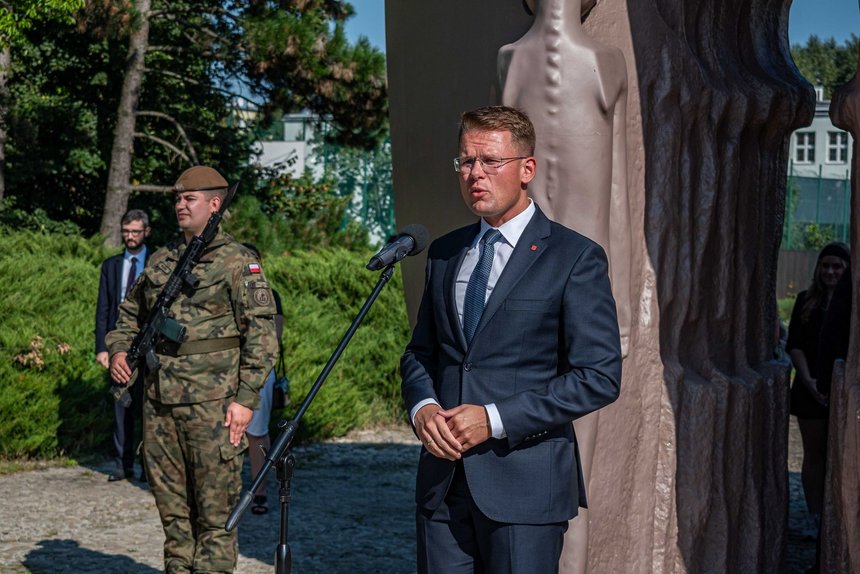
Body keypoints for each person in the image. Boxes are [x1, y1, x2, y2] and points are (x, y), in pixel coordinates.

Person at [401, 105, 622, 573]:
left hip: (526, 488)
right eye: (466, 161)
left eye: (490, 161)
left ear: (527, 169)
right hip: (442, 487)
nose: (475, 173)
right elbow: (421, 352)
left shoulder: (574, 257)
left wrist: (493, 419)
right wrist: (423, 408)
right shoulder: (444, 253)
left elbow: (599, 376)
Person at [106, 166, 279, 573]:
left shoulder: (238, 262)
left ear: (215, 204)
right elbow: (129, 315)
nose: (180, 205)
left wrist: (245, 400)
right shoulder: (162, 259)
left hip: (214, 408)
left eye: (190, 199)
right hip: (160, 406)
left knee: (216, 517)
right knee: (174, 516)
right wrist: (118, 351)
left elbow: (262, 337)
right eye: (178, 199)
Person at [787, 242, 850, 530]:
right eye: (825, 266)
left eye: (837, 266)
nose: (830, 271)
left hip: (841, 390)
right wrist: (809, 380)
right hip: (810, 388)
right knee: (813, 454)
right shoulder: (805, 301)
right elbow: (795, 345)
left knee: (840, 455)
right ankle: (814, 514)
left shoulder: (851, 305)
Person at [95, 209, 151, 482]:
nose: (130, 236)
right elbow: (103, 309)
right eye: (126, 231)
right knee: (122, 403)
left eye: (135, 232)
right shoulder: (111, 266)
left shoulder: (157, 262)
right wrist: (102, 347)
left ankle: (147, 466)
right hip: (120, 344)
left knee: (149, 407)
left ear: (146, 232)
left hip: (150, 343)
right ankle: (122, 464)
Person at [241, 242, 285, 516]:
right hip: (228, 371)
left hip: (260, 372)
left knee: (256, 433)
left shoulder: (270, 295)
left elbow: (274, 339)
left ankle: (259, 491)